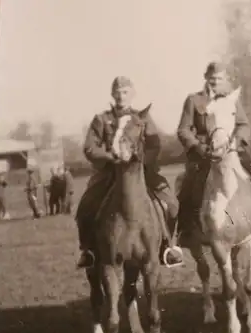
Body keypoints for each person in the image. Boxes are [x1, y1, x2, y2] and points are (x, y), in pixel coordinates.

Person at [74, 75, 183, 269]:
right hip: (109, 174)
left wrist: (143, 163)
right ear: (112, 94)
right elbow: (90, 148)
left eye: (125, 92)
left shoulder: (141, 117)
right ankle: (89, 250)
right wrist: (110, 157)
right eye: (117, 92)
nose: (121, 96)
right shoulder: (102, 120)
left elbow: (154, 144)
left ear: (132, 94)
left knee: (171, 204)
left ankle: (167, 246)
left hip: (141, 173)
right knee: (85, 206)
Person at [176, 61, 251, 241]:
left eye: (219, 78)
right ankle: (186, 231)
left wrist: (237, 141)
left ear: (224, 80)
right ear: (206, 78)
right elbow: (183, 129)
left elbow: (243, 124)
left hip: (231, 150)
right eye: (212, 78)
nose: (215, 81)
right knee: (188, 184)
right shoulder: (194, 100)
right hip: (204, 153)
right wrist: (199, 147)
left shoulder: (231, 99)